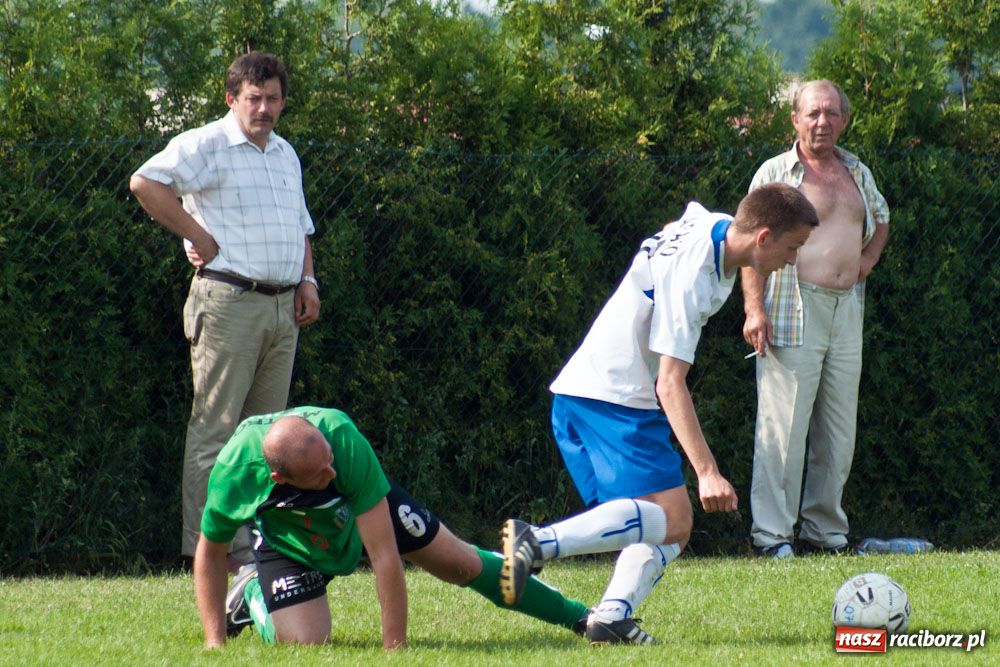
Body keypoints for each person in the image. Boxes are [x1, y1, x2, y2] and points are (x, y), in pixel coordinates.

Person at [499, 184, 819, 645]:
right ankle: (536, 542)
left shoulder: (713, 224)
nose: (793, 261)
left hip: (586, 391)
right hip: (614, 398)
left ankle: (610, 618)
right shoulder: (692, 281)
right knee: (674, 519)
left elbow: (680, 222)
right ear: (764, 237)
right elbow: (669, 383)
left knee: (657, 523)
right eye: (793, 248)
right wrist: (707, 471)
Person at [129, 52, 321, 568]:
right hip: (228, 303)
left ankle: (256, 547)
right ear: (232, 98)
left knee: (269, 437)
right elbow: (145, 182)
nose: (264, 108)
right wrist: (197, 236)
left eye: (273, 98)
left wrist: (308, 281)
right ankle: (208, 552)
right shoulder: (207, 143)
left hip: (284, 308)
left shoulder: (285, 153)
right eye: (253, 98)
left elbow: (301, 226)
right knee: (216, 431)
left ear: (283, 101)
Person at [195, 406, 591, 649]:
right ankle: (252, 594)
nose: (332, 472)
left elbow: (385, 556)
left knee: (461, 565)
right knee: (306, 642)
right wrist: (214, 644)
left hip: (357, 517)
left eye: (330, 459)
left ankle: (583, 618)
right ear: (280, 478)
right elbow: (210, 552)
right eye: (321, 473)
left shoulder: (342, 439)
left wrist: (394, 650)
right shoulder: (235, 473)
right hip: (291, 541)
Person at [742, 80, 890, 558]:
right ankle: (771, 537)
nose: (822, 122)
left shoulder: (856, 169)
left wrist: (866, 261)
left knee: (837, 429)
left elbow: (882, 219)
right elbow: (749, 246)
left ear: (844, 120)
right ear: (795, 120)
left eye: (830, 113)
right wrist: (753, 308)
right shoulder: (777, 172)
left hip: (847, 311)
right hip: (791, 307)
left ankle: (824, 533)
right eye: (812, 114)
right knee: (782, 428)